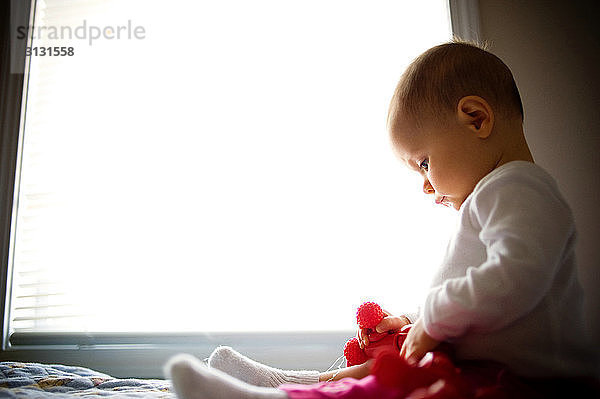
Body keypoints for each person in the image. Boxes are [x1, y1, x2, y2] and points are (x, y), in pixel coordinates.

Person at [164, 41, 598, 399]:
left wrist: (433, 317)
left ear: (477, 118)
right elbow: (487, 297)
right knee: (391, 374)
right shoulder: (504, 191)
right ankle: (286, 387)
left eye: (424, 162)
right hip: (492, 371)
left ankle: (279, 394)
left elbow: (517, 277)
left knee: (395, 385)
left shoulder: (515, 186)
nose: (426, 184)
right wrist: (414, 320)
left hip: (522, 384)